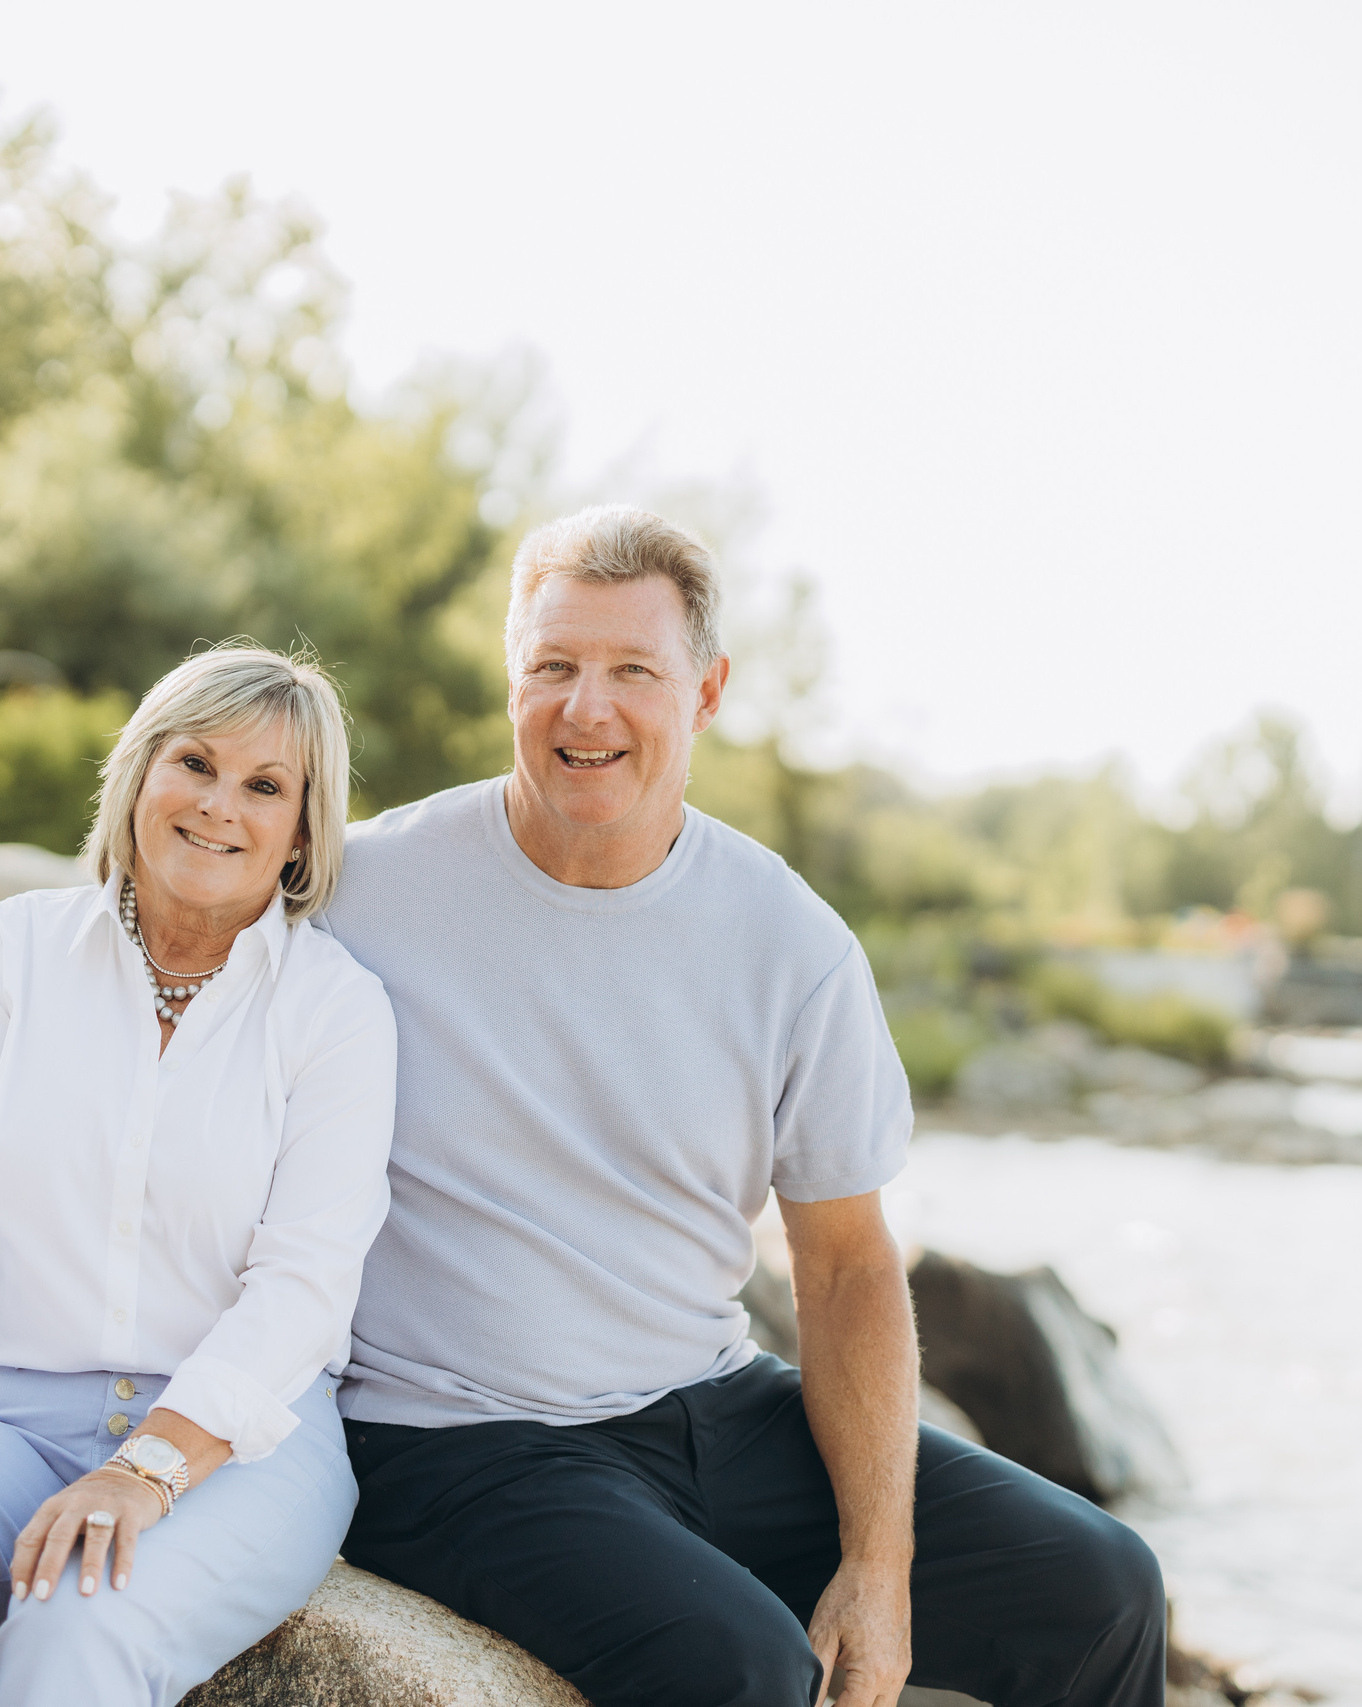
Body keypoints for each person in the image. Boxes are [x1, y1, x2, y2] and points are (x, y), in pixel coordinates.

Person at [322, 507, 1167, 1707]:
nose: (586, 708)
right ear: (510, 678)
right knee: (743, 1670)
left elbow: (843, 1270)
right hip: (456, 1439)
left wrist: (879, 1568)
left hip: (709, 1404)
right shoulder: (364, 891)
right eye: (553, 667)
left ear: (706, 692)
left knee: (1102, 1584)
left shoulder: (788, 944)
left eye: (632, 671)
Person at [0, 644, 397, 1707]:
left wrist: (144, 1471)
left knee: (78, 1621)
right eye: (195, 763)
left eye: (264, 786)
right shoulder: (12, 951)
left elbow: (305, 1284)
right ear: (141, 771)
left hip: (235, 1445)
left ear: (300, 831)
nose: (218, 806)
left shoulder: (336, 1012)